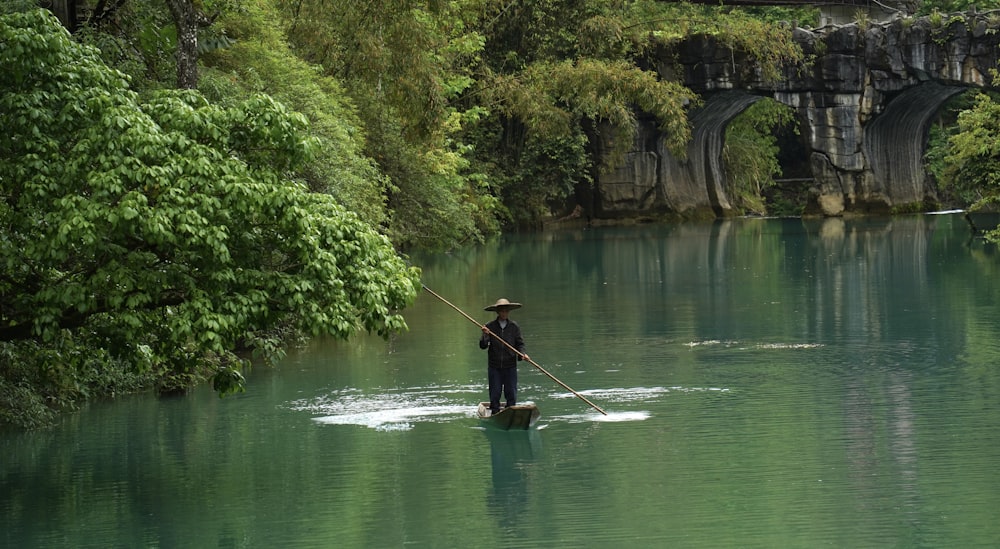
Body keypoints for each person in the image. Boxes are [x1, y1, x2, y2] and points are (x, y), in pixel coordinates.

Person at [479, 298, 529, 415]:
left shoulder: (514, 327)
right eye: (502, 311)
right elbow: (483, 346)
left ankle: (511, 412)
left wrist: (523, 354)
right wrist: (485, 335)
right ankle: (495, 412)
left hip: (510, 365)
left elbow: (520, 344)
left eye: (506, 311)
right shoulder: (489, 327)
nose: (504, 313)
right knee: (495, 391)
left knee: (511, 391)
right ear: (498, 312)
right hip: (494, 366)